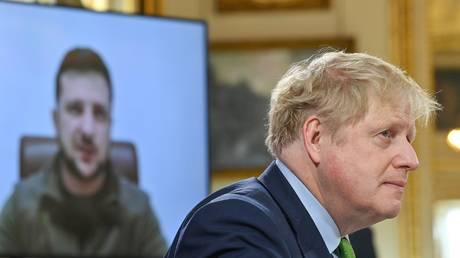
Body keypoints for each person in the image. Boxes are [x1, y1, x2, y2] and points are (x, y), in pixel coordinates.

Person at [166, 50, 440, 258]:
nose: (411, 160)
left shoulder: (332, 241)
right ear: (315, 137)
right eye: (386, 134)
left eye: (409, 139)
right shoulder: (237, 228)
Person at [0, 48, 167, 257]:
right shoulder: (19, 208)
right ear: (56, 120)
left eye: (99, 113)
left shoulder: (139, 213)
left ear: (110, 126)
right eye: (75, 110)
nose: (88, 130)